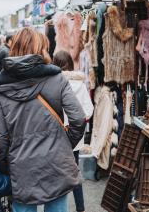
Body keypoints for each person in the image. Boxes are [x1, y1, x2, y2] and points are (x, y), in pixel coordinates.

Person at [0, 27, 86, 212]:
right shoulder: (57, 78)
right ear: (41, 48)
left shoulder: (1, 86)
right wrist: (65, 143)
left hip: (21, 165)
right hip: (56, 162)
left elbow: (0, 137)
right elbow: (78, 119)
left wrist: (6, 166)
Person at [53, 50, 94, 212]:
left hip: (57, 136)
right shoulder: (80, 84)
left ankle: (57, 206)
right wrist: (78, 122)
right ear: (71, 63)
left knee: (57, 174)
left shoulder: (52, 83)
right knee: (75, 173)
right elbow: (88, 110)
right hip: (75, 137)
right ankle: (80, 207)